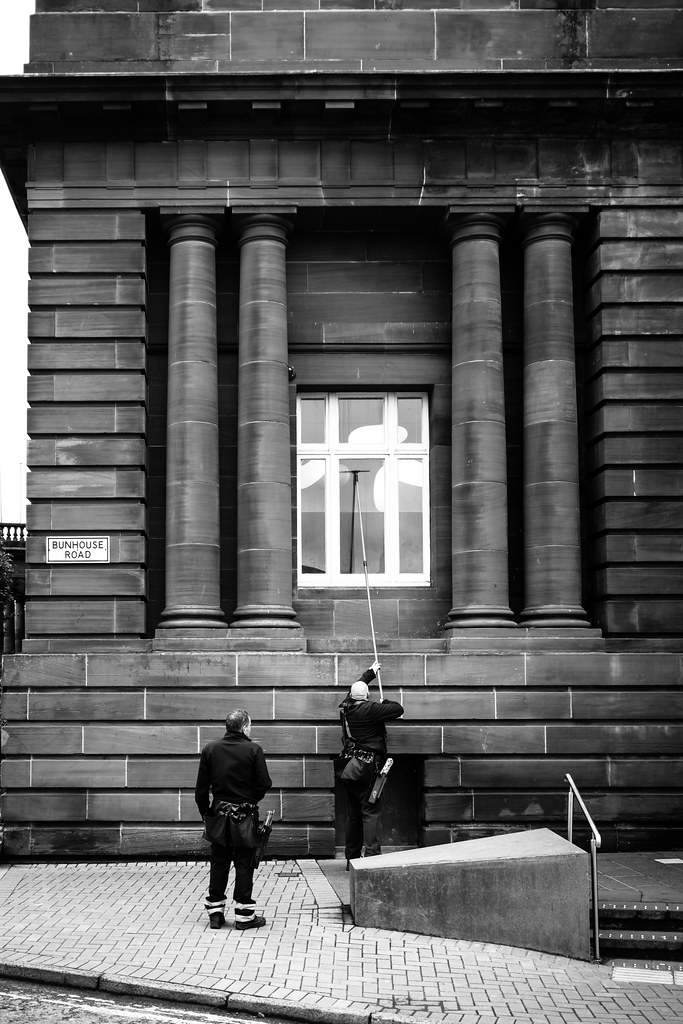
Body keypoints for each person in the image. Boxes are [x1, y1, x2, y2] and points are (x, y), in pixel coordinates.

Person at [195, 707, 272, 931]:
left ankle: (216, 914)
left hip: (218, 813)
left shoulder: (211, 749)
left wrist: (206, 812)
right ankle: (244, 916)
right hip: (245, 815)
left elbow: (201, 788)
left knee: (219, 861)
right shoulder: (253, 750)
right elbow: (264, 783)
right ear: (245, 727)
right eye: (250, 725)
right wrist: (250, 800)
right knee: (244, 862)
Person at [338, 660, 404, 866]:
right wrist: (385, 702)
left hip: (352, 767)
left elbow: (356, 688)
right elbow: (397, 709)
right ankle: (372, 860)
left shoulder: (346, 707)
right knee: (371, 812)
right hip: (370, 768)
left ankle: (352, 859)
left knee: (354, 815)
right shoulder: (371, 709)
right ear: (367, 696)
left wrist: (370, 673)